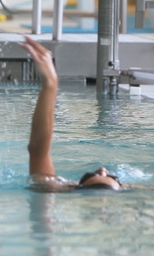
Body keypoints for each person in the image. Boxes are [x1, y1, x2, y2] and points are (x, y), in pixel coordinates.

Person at [20, 35, 123, 192]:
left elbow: (37, 150)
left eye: (90, 176)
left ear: (74, 186)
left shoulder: (48, 189)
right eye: (112, 177)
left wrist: (51, 83)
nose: (102, 169)